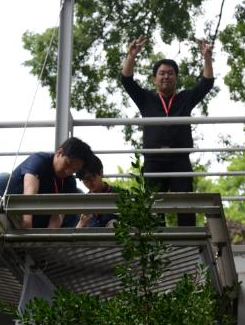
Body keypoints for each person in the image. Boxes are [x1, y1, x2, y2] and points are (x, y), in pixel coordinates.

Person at [120, 36, 214, 226]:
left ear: (176, 78)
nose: (166, 76)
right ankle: (156, 249)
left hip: (179, 159)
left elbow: (206, 84)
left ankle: (188, 246)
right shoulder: (146, 98)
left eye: (170, 73)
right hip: (154, 159)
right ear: (154, 79)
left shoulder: (185, 98)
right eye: (161, 73)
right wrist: (131, 56)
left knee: (185, 205)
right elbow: (127, 81)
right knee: (154, 208)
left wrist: (206, 58)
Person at [0, 137, 93, 229]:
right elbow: (29, 193)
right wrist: (27, 226)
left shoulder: (69, 181)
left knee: (77, 194)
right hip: (17, 215)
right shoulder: (39, 161)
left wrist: (46, 240)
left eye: (74, 170)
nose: (68, 171)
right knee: (3, 178)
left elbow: (57, 217)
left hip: (41, 222)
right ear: (59, 153)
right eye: (67, 164)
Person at [75, 154, 117, 229]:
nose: (89, 183)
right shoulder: (84, 200)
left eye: (91, 178)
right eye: (85, 181)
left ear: (101, 173)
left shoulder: (117, 194)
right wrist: (81, 223)